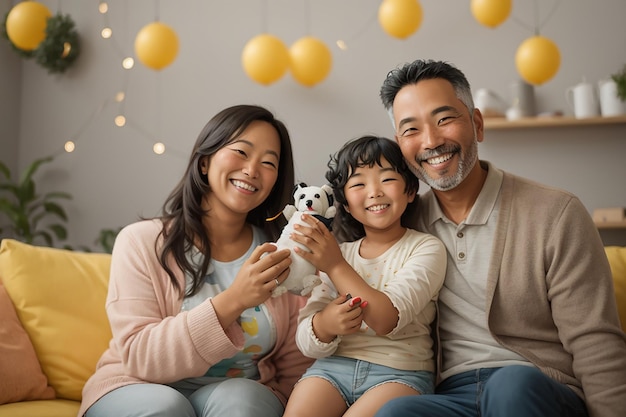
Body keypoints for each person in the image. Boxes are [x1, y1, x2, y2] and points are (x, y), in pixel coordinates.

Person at [374, 59, 626, 417]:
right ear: (401, 145)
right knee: (395, 413)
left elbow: (596, 342)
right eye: (411, 130)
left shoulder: (555, 212)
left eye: (444, 119)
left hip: (537, 388)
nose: (431, 141)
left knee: (510, 386)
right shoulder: (403, 224)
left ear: (477, 124)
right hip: (452, 396)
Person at [79, 104, 314, 417]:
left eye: (268, 162)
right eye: (241, 152)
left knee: (245, 400)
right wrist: (234, 299)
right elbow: (140, 357)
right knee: (166, 407)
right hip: (134, 386)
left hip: (236, 393)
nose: (252, 169)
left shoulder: (282, 255)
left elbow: (295, 365)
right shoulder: (139, 242)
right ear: (205, 162)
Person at [282, 135, 448, 417]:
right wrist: (325, 324)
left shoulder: (426, 249)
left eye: (387, 179)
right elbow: (306, 341)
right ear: (344, 204)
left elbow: (385, 319)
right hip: (331, 369)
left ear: (410, 191)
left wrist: (334, 266)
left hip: (400, 373)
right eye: (359, 184)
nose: (374, 192)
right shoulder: (340, 252)